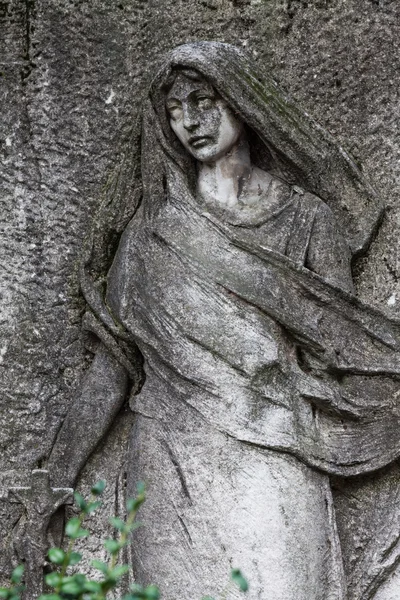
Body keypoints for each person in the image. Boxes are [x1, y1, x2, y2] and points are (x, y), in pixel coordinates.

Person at [47, 42, 400, 599]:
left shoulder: (309, 221)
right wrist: (56, 474)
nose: (191, 120)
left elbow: (341, 350)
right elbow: (114, 367)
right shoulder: (148, 235)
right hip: (168, 459)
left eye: (204, 100)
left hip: (275, 452)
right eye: (174, 109)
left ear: (242, 103)